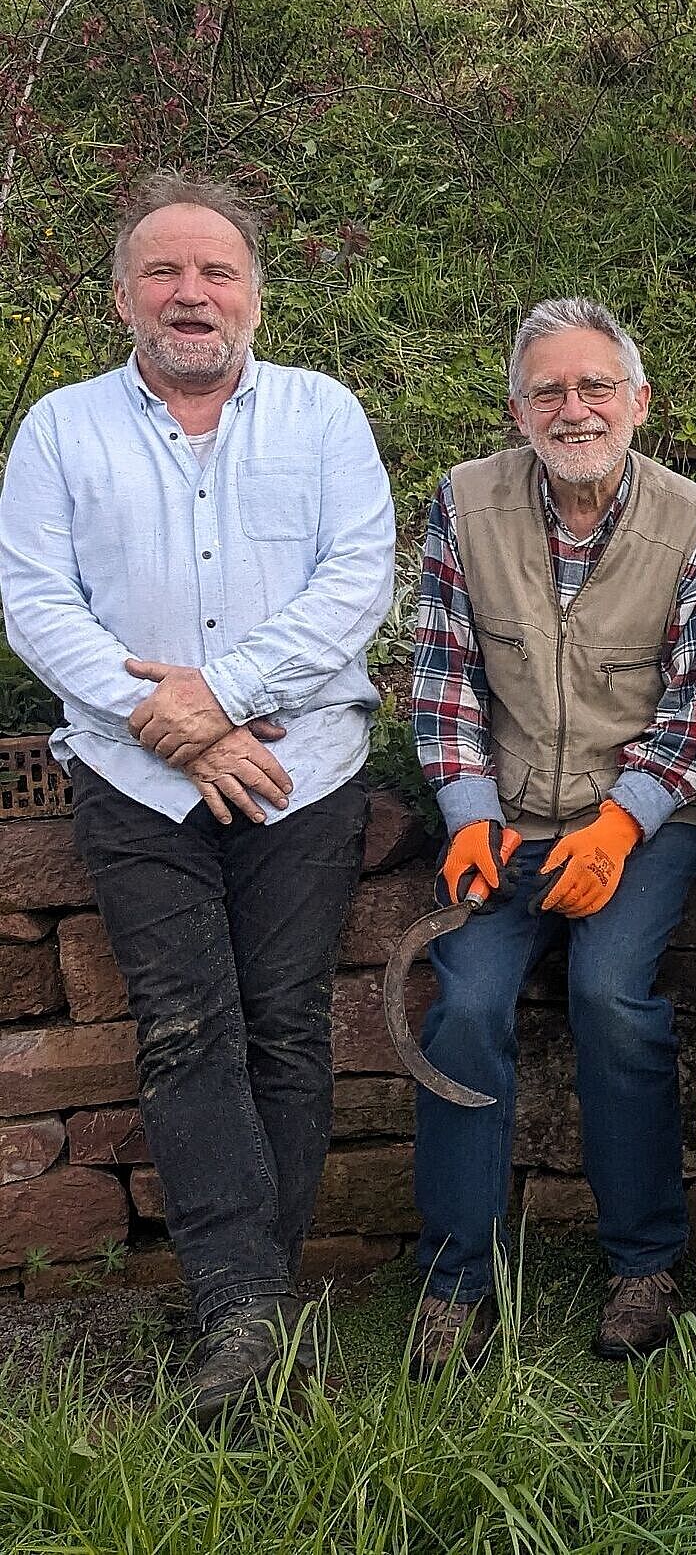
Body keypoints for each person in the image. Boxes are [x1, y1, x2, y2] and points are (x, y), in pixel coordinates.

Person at [0, 171, 394, 1422]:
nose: (191, 293)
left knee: (283, 1023)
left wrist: (212, 696)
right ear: (124, 295)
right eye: (165, 272)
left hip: (299, 768)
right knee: (185, 1027)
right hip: (131, 779)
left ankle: (238, 1310)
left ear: (255, 297)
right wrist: (164, 724)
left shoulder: (324, 416)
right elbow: (36, 600)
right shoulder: (63, 427)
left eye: (216, 272)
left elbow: (355, 583)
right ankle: (244, 1308)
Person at [408, 297, 696, 1374]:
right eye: (549, 388)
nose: (574, 406)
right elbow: (445, 677)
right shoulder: (464, 503)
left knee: (610, 997)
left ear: (639, 402)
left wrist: (619, 822)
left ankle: (643, 1262)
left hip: (641, 822)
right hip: (500, 826)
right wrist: (465, 812)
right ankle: (456, 1279)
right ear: (517, 406)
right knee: (463, 1006)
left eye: (596, 386)